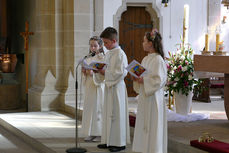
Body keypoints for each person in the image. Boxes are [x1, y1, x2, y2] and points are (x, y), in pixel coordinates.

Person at [94, 27, 130, 152]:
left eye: (106, 43)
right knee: (108, 114)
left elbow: (121, 72)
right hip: (109, 87)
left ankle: (119, 143)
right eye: (103, 42)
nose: (104, 45)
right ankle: (108, 140)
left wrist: (105, 72)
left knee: (116, 115)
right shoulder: (109, 54)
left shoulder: (120, 54)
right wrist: (98, 71)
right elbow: (105, 69)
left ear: (114, 41)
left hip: (117, 88)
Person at [132, 29, 167, 153]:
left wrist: (144, 81)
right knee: (144, 125)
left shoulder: (158, 60)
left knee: (153, 126)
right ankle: (143, 149)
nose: (142, 43)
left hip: (154, 99)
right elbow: (143, 76)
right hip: (145, 97)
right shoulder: (146, 59)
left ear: (151, 44)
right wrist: (136, 79)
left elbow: (159, 80)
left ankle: (153, 149)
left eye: (144, 41)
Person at [81, 36, 105, 142]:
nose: (93, 48)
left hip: (98, 87)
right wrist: (84, 72)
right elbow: (86, 73)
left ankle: (99, 133)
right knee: (89, 109)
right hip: (89, 87)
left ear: (100, 46)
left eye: (95, 45)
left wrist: (93, 73)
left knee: (97, 110)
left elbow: (104, 75)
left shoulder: (102, 58)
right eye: (91, 45)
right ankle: (90, 132)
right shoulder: (88, 57)